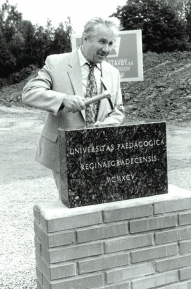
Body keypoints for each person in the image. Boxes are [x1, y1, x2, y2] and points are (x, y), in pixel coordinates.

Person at [22, 17, 125, 197]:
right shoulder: (56, 63)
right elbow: (29, 93)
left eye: (110, 43)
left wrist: (108, 124)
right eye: (102, 41)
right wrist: (62, 100)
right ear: (85, 38)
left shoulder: (113, 73)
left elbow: (118, 109)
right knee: (72, 206)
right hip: (64, 152)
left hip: (98, 152)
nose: (106, 49)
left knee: (98, 202)